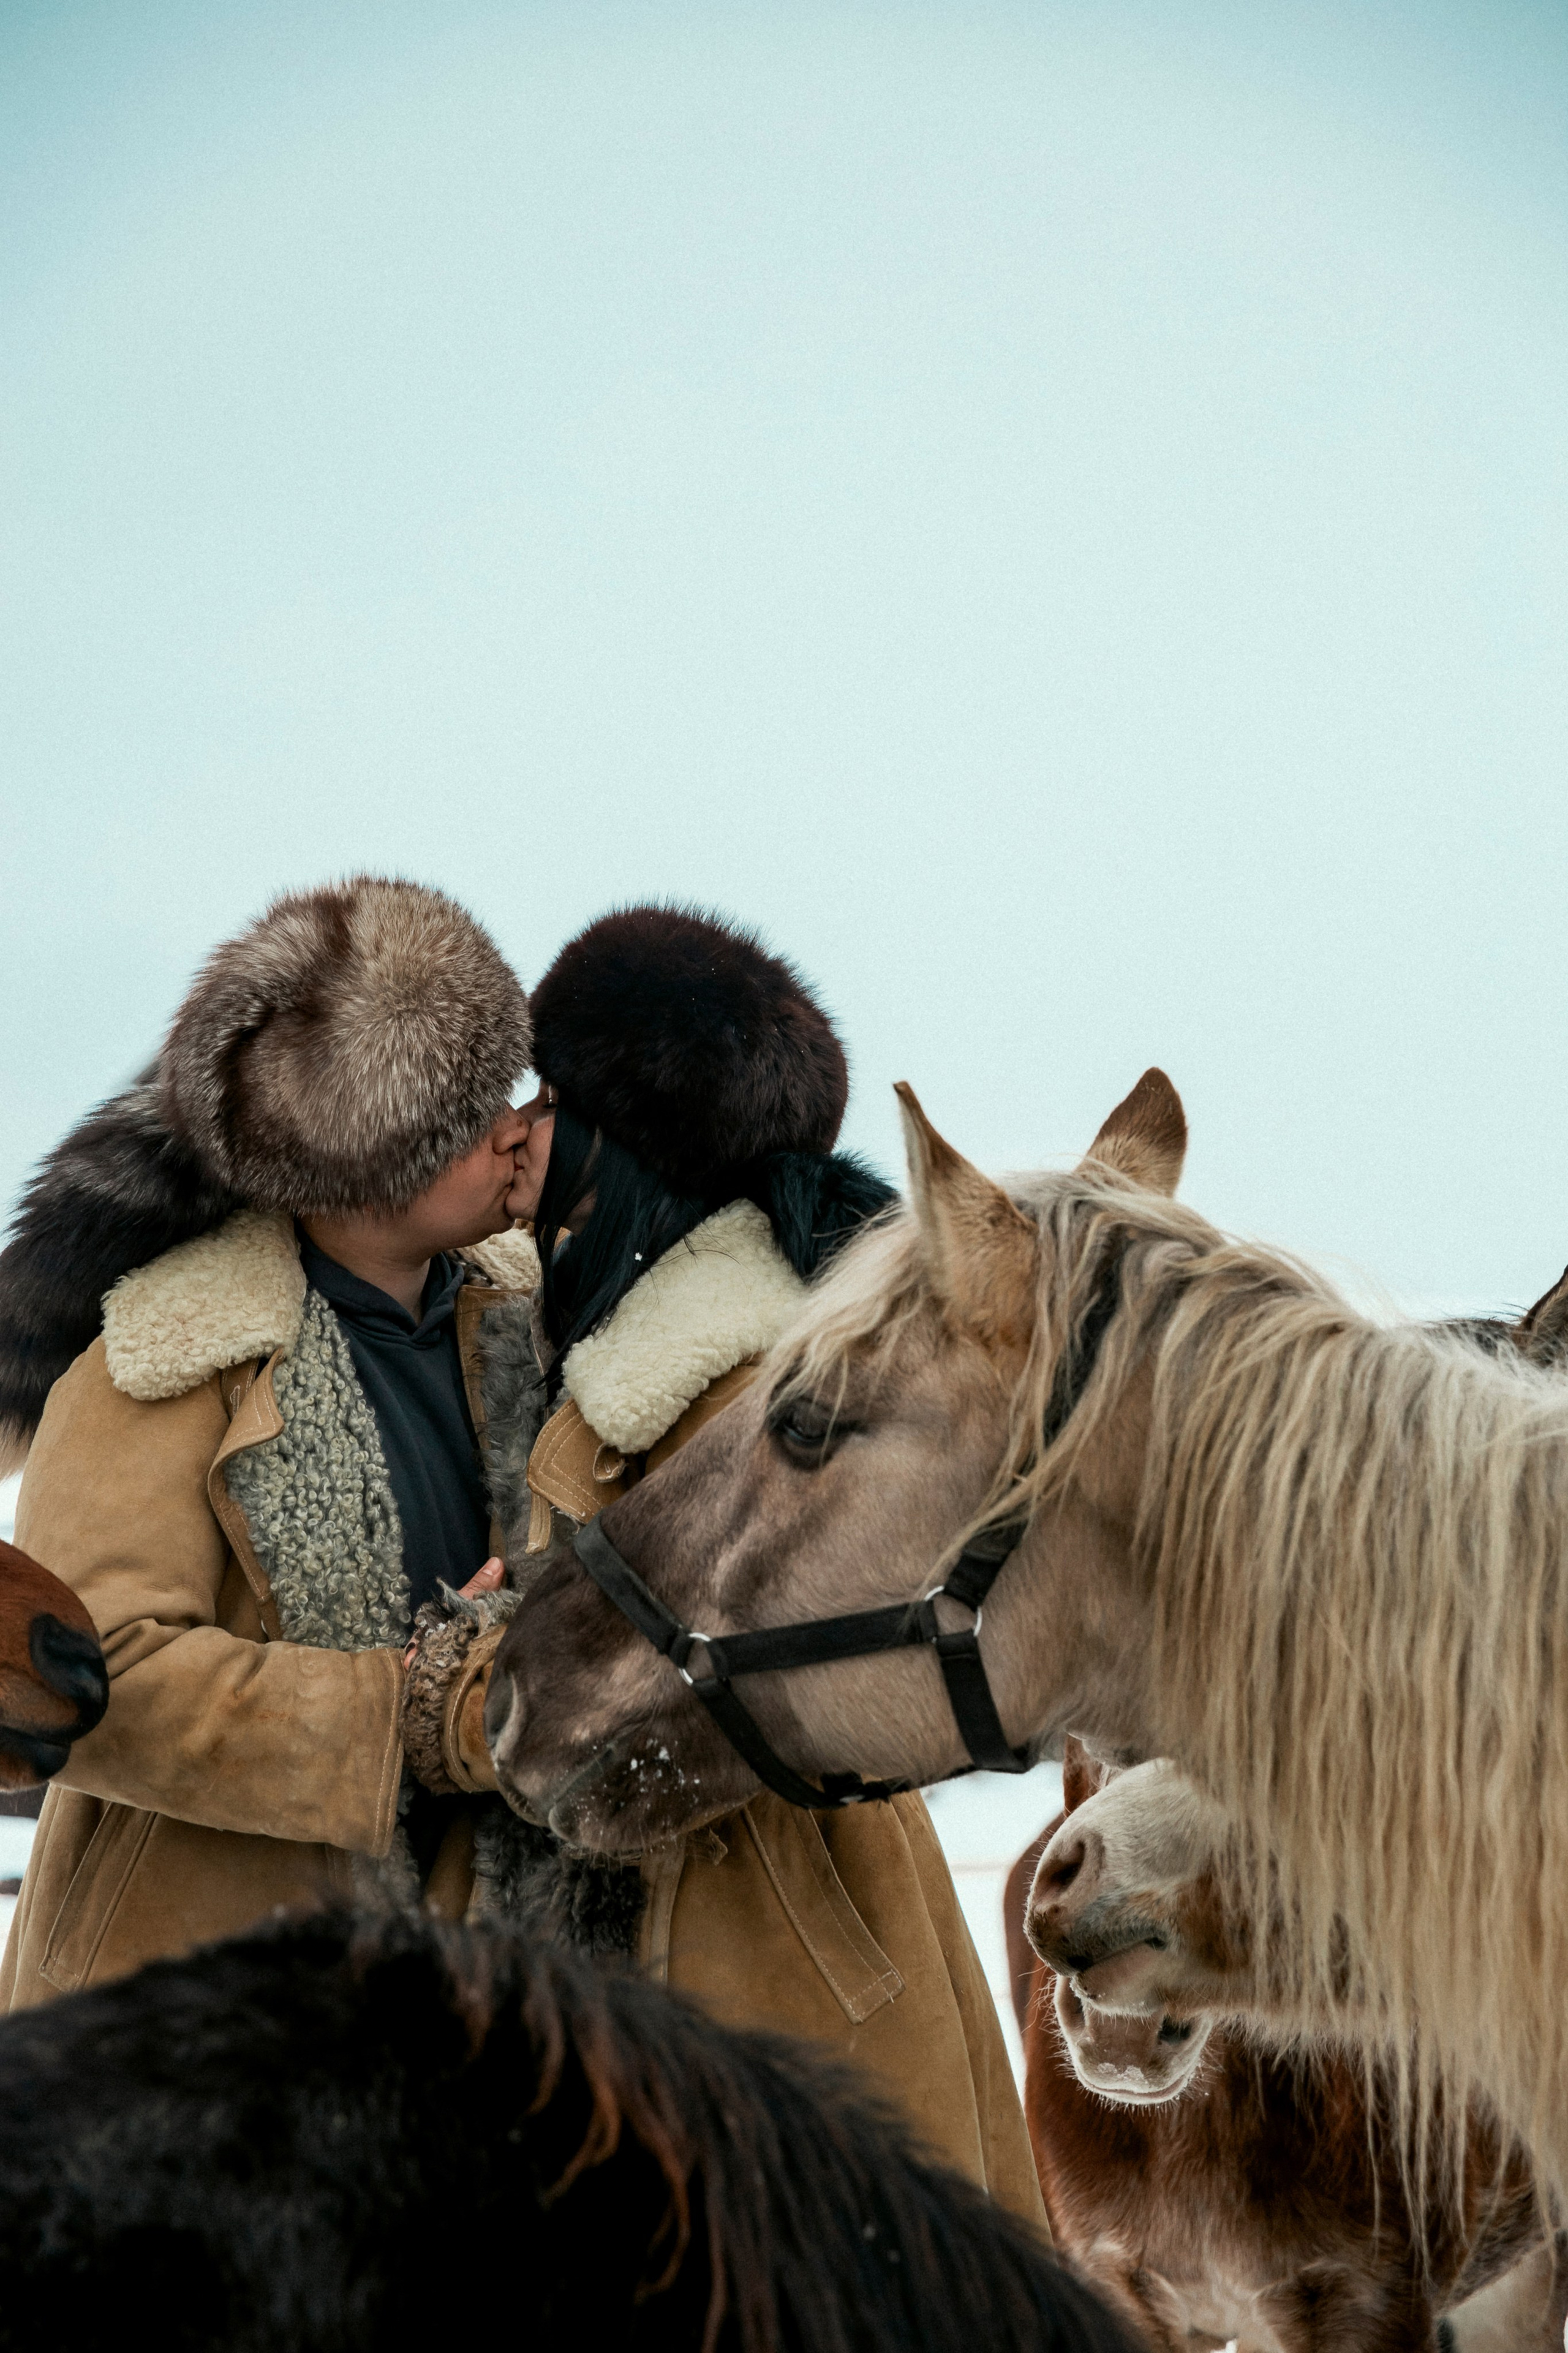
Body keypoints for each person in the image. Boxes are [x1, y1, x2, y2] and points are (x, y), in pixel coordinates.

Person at [401, 905, 1046, 2225]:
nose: (515, 1127)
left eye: (547, 1095)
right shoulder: (610, 1335)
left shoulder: (739, 1388)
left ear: (619, 1140)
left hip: (760, 1981)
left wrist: (490, 1658)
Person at [0, 877, 538, 2007]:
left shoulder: (535, 1324)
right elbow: (106, 1682)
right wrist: (407, 1716)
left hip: (455, 1998)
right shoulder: (163, 1354)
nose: (515, 1130)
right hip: (184, 2015)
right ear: (362, 1160)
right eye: (467, 1113)